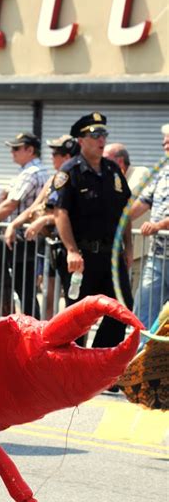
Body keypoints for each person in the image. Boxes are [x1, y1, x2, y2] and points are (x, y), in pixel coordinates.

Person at [53, 112, 133, 358]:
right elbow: (60, 212)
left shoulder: (112, 170)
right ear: (81, 140)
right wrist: (72, 250)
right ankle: (70, 364)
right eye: (95, 135)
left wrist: (128, 248)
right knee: (79, 313)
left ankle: (100, 359)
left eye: (104, 135)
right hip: (83, 256)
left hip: (110, 255)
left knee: (122, 307)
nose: (101, 139)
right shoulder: (70, 171)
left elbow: (125, 210)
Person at [0, 132, 48, 317]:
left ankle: (17, 325)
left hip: (22, 236)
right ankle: (30, 329)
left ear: (30, 150)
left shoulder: (32, 172)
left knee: (23, 289)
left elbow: (10, 204)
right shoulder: (35, 171)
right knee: (26, 290)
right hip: (25, 236)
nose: (12, 152)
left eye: (16, 148)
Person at [4, 135, 78, 319]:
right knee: (48, 301)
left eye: (56, 153)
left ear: (67, 157)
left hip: (73, 248)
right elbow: (33, 208)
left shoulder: (78, 179)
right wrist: (14, 224)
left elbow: (68, 214)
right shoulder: (54, 178)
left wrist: (43, 220)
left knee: (73, 303)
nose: (52, 157)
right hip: (53, 248)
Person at [129, 125, 169, 337]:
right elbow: (144, 202)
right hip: (157, 255)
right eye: (164, 140)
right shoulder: (161, 173)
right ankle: (140, 362)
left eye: (168, 140)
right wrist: (121, 219)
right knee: (144, 310)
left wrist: (159, 226)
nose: (164, 144)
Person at [103, 142, 151, 294]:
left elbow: (126, 206)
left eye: (105, 158)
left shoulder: (140, 173)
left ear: (119, 160)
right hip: (118, 252)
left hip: (139, 252)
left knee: (136, 299)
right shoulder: (109, 177)